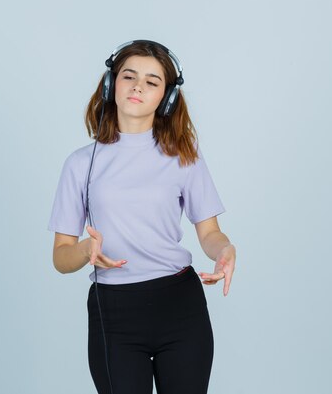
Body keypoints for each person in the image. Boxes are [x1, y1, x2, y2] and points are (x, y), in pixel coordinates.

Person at [47, 40, 236, 394]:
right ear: (110, 84)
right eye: (128, 76)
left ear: (166, 97)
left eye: (152, 81)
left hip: (179, 304)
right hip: (113, 312)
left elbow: (210, 232)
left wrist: (224, 250)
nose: (137, 86)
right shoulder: (79, 165)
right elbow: (60, 257)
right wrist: (87, 249)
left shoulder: (185, 157)